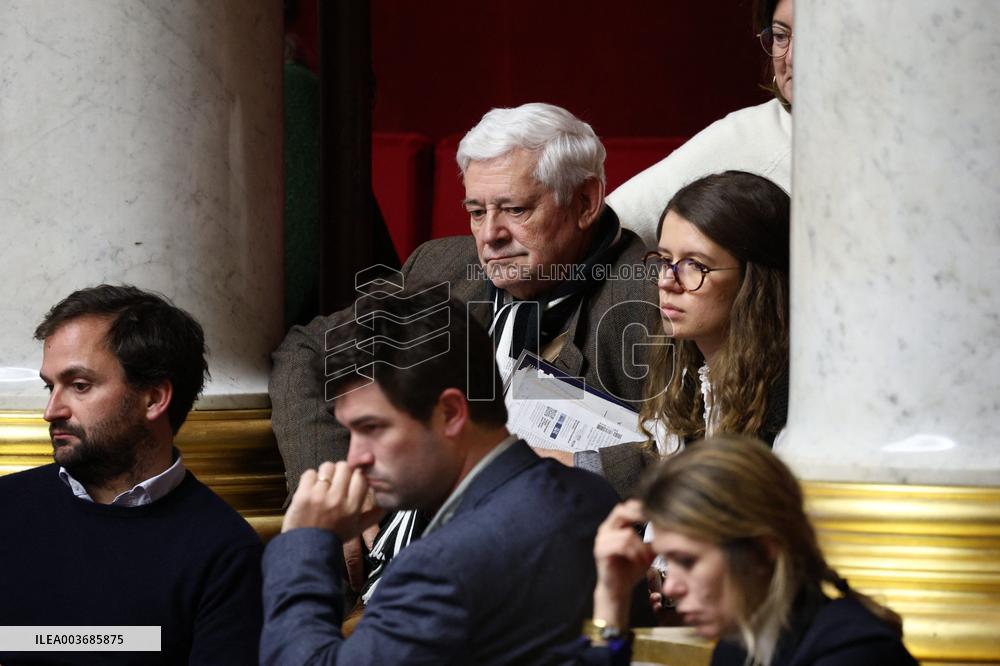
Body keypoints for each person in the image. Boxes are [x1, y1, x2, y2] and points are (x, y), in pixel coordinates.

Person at [269, 102, 658, 600]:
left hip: (529, 587)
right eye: (477, 211)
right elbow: (305, 350)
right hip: (379, 570)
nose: (490, 235)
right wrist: (337, 484)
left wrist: (573, 465)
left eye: (515, 210)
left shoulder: (649, 299)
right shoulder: (441, 267)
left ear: (585, 202)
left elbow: (713, 452)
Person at [260, 292, 624, 665]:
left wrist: (304, 543)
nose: (355, 458)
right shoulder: (593, 497)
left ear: (451, 413)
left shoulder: (439, 569)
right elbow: (608, 652)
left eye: (371, 428)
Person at [0, 285, 262, 666]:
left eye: (79, 386)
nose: (51, 410)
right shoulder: (7, 509)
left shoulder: (225, 554)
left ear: (154, 398)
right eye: (49, 386)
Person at [583, 435, 918, 666]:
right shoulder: (741, 645)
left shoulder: (852, 654)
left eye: (688, 561)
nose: (671, 587)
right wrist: (611, 598)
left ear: (763, 546)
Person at [598, 171, 790, 495]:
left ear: (755, 281)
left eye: (695, 265)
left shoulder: (789, 405)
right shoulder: (688, 374)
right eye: (664, 260)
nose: (666, 282)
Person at [607, 0, 794, 247]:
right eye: (781, 36)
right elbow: (605, 234)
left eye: (816, 36)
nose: (791, 58)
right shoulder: (748, 136)